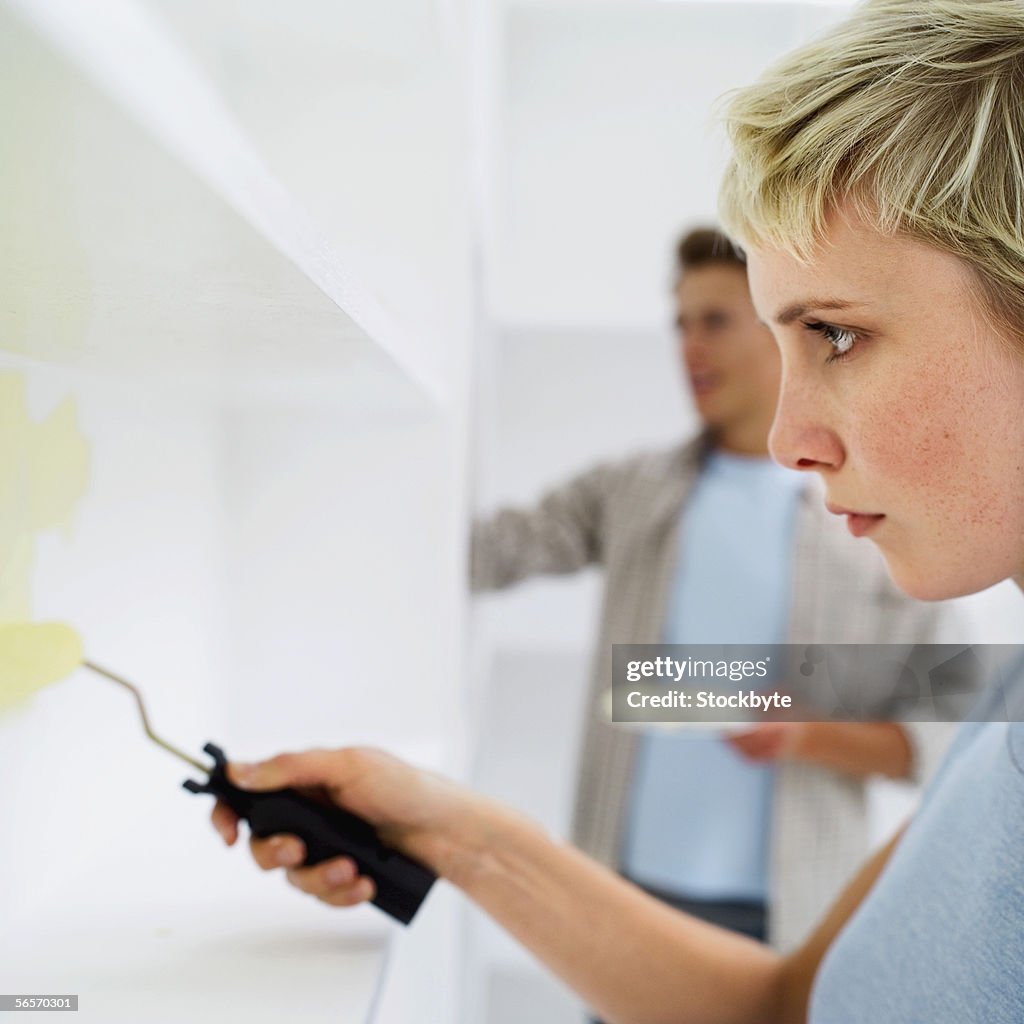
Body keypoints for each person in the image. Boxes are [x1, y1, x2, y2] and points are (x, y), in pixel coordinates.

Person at [211, 2, 1024, 1020]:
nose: (789, 437)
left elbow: (912, 715)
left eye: (835, 334)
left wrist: (811, 720)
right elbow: (786, 1007)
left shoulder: (879, 544)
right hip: (638, 863)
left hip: (776, 872)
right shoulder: (998, 694)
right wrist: (455, 832)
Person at [470, 226, 958, 951]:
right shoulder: (629, 492)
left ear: (779, 332)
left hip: (787, 924)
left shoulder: (877, 520)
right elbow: (485, 554)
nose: (689, 348)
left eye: (716, 322)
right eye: (681, 324)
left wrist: (812, 731)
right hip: (618, 896)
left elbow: (946, 735)